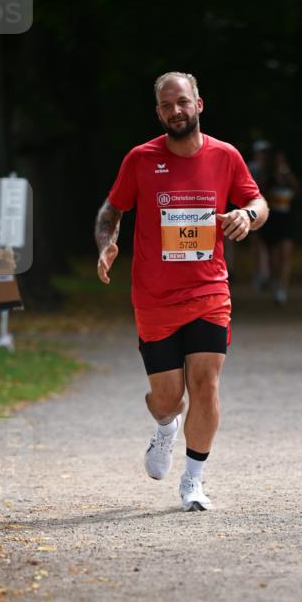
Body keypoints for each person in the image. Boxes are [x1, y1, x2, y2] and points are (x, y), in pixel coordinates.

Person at [94, 71, 268, 511]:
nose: (176, 111)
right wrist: (106, 244)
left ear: (199, 104)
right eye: (167, 105)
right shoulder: (140, 159)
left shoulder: (225, 156)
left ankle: (193, 481)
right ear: (158, 112)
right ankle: (165, 427)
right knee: (168, 398)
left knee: (206, 384)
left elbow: (259, 202)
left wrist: (247, 215)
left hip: (209, 291)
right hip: (154, 297)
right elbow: (111, 210)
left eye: (182, 102)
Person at [258, 149, 299, 305]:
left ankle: (283, 287)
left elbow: (297, 191)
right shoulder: (268, 177)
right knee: (274, 257)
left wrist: (287, 178)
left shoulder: (290, 177)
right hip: (272, 218)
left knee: (286, 254)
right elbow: (259, 193)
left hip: (287, 219)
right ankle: (275, 283)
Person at [247, 139, 273, 292]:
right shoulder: (251, 168)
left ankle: (265, 274)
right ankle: (260, 274)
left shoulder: (271, 168)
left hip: (271, 209)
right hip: (254, 209)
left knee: (267, 244)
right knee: (257, 242)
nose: (263, 155)